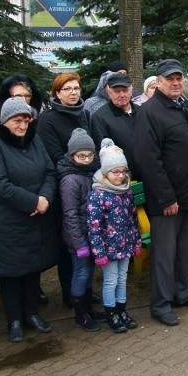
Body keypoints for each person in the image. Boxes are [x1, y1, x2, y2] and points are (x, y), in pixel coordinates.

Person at [133, 59, 188, 327]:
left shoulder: (184, 107)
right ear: (159, 82)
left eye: (179, 78)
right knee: (164, 254)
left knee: (185, 248)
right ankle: (161, 303)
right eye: (170, 79)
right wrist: (166, 198)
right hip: (168, 200)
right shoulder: (150, 112)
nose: (176, 83)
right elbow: (148, 160)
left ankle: (182, 292)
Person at [0, 98, 58, 342]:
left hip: (36, 217)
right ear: (5, 122)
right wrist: (32, 202)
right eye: (17, 121)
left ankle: (32, 313)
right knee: (11, 272)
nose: (22, 125)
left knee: (33, 267)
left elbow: (49, 171)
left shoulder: (34, 140)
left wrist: (44, 197)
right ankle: (14, 319)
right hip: (6, 220)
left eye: (25, 120)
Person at [37, 72, 89, 308]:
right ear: (57, 93)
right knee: (70, 242)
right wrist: (78, 171)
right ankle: (70, 292)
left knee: (88, 237)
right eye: (67, 89)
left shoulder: (85, 113)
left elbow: (94, 145)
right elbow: (54, 154)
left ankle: (86, 289)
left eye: (76, 88)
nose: (73, 93)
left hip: (89, 183)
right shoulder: (48, 120)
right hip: (66, 185)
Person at [88, 139, 142, 332]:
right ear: (105, 172)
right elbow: (94, 227)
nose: (119, 176)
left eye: (123, 171)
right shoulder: (98, 195)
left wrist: (136, 241)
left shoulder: (126, 192)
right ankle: (111, 312)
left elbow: (133, 219)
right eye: (115, 172)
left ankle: (122, 309)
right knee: (111, 279)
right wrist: (99, 252)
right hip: (108, 248)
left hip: (125, 245)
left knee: (123, 278)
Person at [58, 129, 102, 333]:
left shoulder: (94, 173)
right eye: (80, 156)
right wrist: (79, 243)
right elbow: (70, 214)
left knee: (89, 272)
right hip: (79, 238)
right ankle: (80, 314)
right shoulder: (70, 179)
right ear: (72, 156)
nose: (85, 159)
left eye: (89, 155)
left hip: (93, 234)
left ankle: (89, 308)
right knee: (81, 272)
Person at [89, 72, 140, 180]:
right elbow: (104, 151)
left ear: (131, 90)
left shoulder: (142, 112)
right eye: (117, 91)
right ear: (108, 92)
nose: (122, 95)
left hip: (149, 173)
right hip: (122, 178)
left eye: (125, 90)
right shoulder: (100, 117)